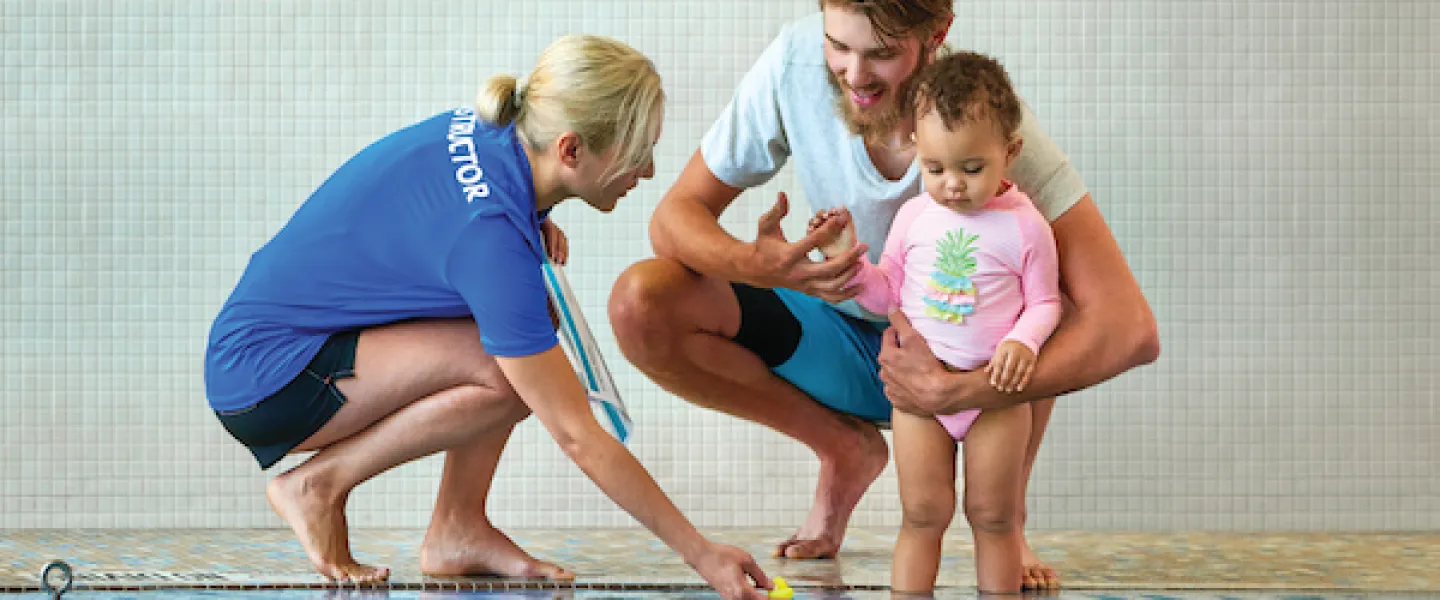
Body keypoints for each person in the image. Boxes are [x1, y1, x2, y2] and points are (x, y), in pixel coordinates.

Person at [607, 0, 1159, 590]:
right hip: (845, 334)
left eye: (883, 53)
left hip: (976, 367)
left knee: (1052, 296)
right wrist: (762, 267)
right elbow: (672, 220)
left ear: (936, 34)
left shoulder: (991, 127)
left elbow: (1129, 328)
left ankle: (1005, 520)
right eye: (837, 45)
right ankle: (844, 448)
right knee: (644, 301)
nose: (854, 74)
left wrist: (966, 389)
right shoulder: (794, 64)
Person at [203, 35, 773, 600]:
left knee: (526, 326)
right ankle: (317, 486)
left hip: (272, 340)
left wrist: (536, 216)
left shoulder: (496, 130)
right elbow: (578, 435)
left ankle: (458, 528)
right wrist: (702, 553)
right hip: (268, 377)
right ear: (571, 150)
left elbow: (435, 212)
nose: (646, 171)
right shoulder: (492, 237)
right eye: (636, 152)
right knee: (511, 373)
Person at [809, 51, 1059, 594]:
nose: (952, 185)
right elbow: (887, 293)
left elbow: (1046, 304)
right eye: (935, 168)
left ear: (1010, 153)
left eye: (972, 168)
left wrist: (1023, 340)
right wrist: (848, 261)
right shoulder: (914, 216)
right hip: (919, 399)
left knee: (994, 517)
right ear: (917, 151)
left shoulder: (1026, 227)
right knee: (922, 516)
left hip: (994, 396)